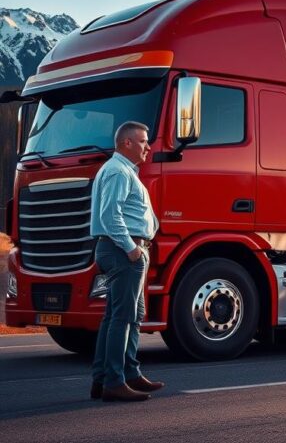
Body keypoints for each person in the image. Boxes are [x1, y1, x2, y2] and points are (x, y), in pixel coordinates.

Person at [89, 121, 164, 402]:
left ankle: (119, 375)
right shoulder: (119, 172)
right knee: (123, 317)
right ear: (127, 143)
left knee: (123, 316)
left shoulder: (122, 171)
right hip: (123, 251)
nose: (148, 146)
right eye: (144, 141)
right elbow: (111, 215)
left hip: (123, 250)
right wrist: (132, 248)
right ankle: (114, 381)